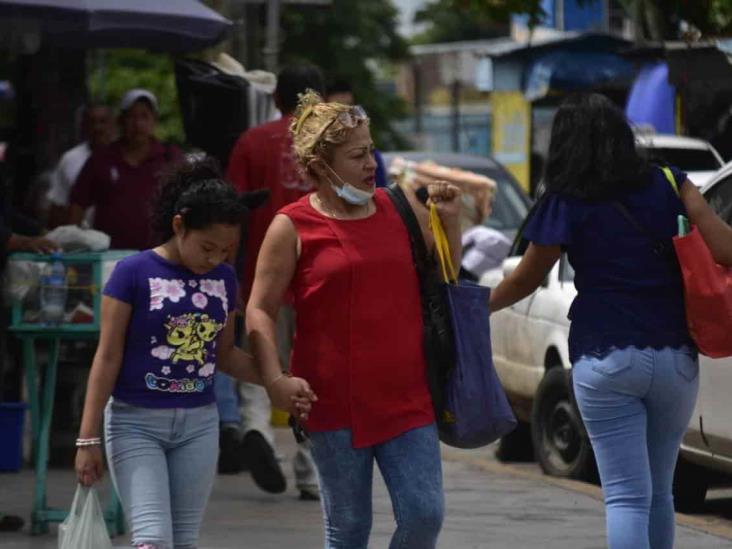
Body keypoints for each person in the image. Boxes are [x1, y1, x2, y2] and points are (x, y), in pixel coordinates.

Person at [489, 93, 732, 549]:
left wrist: (473, 307)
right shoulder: (670, 181)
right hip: (674, 357)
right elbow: (725, 249)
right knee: (661, 491)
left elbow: (525, 279)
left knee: (625, 496)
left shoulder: (565, 198)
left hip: (606, 355)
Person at [246, 91, 462, 549]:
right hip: (331, 403)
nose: (371, 163)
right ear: (321, 165)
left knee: (425, 516)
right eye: (358, 154)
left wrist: (452, 226)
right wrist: (274, 379)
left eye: (371, 150)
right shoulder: (291, 226)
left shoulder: (400, 207)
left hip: (408, 398)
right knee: (348, 530)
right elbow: (259, 309)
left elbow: (445, 282)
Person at [74, 158, 315, 549]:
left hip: (199, 426)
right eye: (207, 247)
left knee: (184, 541)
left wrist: (277, 379)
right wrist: (88, 441)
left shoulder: (223, 279)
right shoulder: (131, 273)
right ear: (179, 225)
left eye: (226, 250)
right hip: (135, 424)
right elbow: (107, 358)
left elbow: (225, 356)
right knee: (152, 539)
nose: (215, 259)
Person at [221, 63, 325, 499]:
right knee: (315, 374)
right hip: (320, 281)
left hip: (261, 278)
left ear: (276, 98)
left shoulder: (251, 141)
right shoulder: (329, 142)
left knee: (259, 360)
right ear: (316, 99)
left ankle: (256, 427)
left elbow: (231, 211)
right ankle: (310, 470)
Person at [69, 89, 182, 250]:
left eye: (145, 116)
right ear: (121, 121)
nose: (138, 124)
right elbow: (78, 204)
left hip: (159, 256)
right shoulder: (101, 158)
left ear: (154, 120)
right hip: (110, 258)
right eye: (132, 117)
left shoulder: (170, 158)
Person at [46, 103, 115, 229]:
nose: (97, 127)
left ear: (114, 124)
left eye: (103, 121)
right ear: (84, 126)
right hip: (82, 240)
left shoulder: (125, 157)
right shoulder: (70, 159)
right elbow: (57, 205)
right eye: (92, 122)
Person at [325, 80, 389, 188]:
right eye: (338, 111)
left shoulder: (373, 157)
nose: (372, 165)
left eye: (349, 108)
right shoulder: (317, 159)